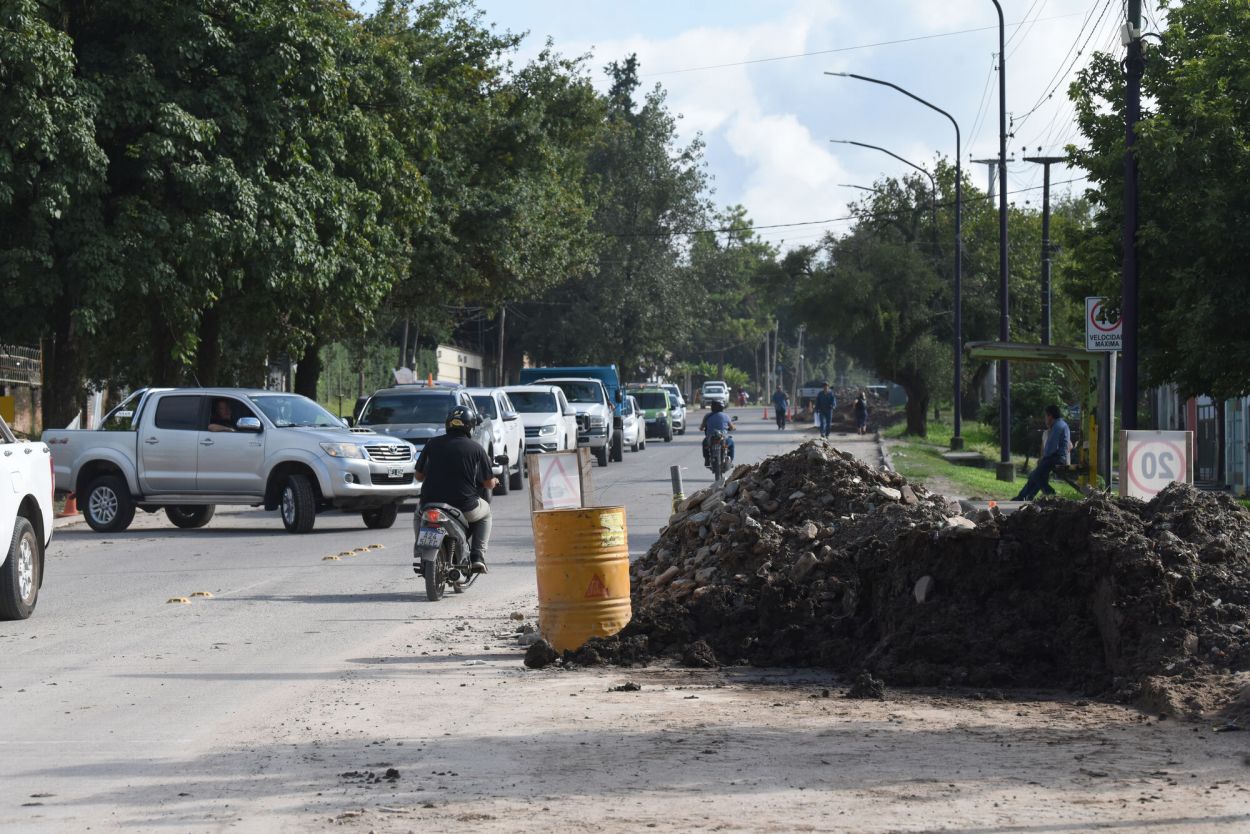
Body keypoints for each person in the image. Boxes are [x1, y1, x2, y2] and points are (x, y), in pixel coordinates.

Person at [414, 406, 497, 573]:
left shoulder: (432, 444)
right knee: (486, 513)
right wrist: (495, 481)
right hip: (465, 506)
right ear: (470, 427)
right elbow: (488, 483)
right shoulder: (476, 449)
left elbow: (418, 476)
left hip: (430, 503)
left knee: (418, 515)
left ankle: (420, 547)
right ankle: (477, 556)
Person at [1013, 404, 1070, 502]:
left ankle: (1050, 493)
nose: (1045, 419)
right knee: (1038, 475)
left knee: (1035, 475)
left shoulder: (1057, 426)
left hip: (1056, 458)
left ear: (1050, 416)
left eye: (1046, 416)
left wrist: (1043, 458)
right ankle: (1024, 497)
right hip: (1057, 458)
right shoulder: (1061, 424)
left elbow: (1051, 447)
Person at [700, 400, 735, 466]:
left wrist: (702, 428)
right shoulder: (725, 416)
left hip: (710, 439)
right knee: (732, 443)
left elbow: (702, 427)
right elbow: (732, 427)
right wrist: (731, 428)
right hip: (723, 438)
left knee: (704, 443)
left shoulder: (707, 416)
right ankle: (731, 461)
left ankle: (707, 459)